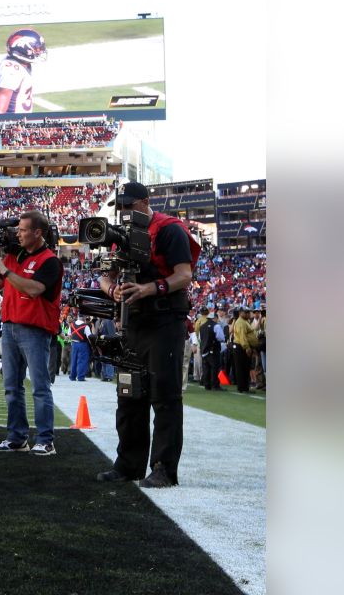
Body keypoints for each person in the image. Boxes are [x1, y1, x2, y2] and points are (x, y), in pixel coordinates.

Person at [96, 181, 200, 489]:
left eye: (130, 205)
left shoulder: (169, 230)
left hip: (165, 320)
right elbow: (106, 276)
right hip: (133, 322)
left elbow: (184, 275)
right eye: (122, 207)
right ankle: (128, 465)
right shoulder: (121, 237)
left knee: (165, 395)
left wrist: (147, 288)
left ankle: (163, 468)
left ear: (145, 202)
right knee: (128, 394)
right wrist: (112, 290)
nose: (126, 212)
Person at [0, 210, 62, 455]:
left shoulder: (50, 260)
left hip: (35, 329)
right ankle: (17, 437)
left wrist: (5, 270)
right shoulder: (13, 255)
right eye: (17, 230)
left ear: (38, 233)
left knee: (39, 386)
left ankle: (45, 439)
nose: (18, 234)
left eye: (23, 230)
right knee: (11, 386)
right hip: (10, 325)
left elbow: (34, 289)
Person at [0, 29, 47, 115]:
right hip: (14, 124)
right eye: (36, 48)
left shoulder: (23, 64)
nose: (39, 51)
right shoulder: (10, 70)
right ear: (24, 47)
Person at [231, 307, 260, 393]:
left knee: (245, 368)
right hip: (241, 347)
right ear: (240, 313)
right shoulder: (240, 322)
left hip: (243, 347)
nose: (248, 314)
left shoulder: (244, 321)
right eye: (246, 312)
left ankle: (244, 387)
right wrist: (247, 347)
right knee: (241, 368)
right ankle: (242, 388)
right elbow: (242, 337)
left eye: (248, 312)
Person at [197, 309, 221, 390]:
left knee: (206, 367)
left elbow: (200, 338)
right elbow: (220, 338)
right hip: (213, 348)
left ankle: (207, 384)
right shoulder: (216, 326)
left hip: (204, 349)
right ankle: (215, 385)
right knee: (214, 367)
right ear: (214, 318)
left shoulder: (202, 326)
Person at [68, 316, 92, 382]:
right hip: (83, 344)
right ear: (84, 318)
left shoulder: (72, 325)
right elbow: (89, 336)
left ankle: (72, 376)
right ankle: (80, 377)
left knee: (74, 360)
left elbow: (69, 334)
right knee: (82, 360)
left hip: (74, 344)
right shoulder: (85, 326)